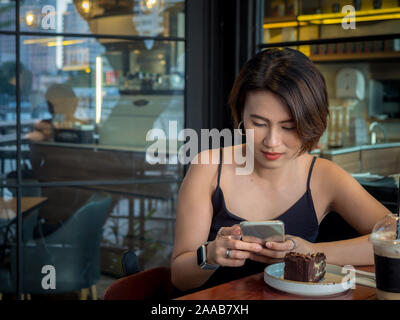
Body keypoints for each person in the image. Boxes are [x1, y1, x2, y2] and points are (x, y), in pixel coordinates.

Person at [170, 47, 390, 293]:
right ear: (241, 113)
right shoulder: (208, 167)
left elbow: (395, 238)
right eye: (259, 123)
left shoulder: (324, 176)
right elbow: (180, 277)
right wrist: (209, 256)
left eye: (289, 126)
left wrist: (308, 251)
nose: (272, 141)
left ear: (311, 122)